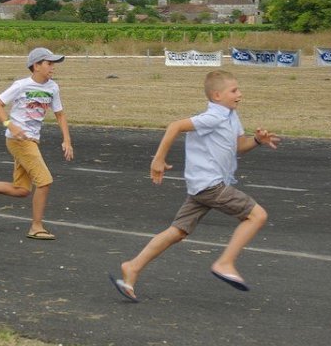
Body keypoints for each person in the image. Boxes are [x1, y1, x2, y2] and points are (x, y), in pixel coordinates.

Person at [109, 70, 281, 302]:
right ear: (217, 95)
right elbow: (175, 126)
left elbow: (239, 146)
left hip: (203, 187)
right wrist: (158, 159)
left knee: (177, 231)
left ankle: (132, 267)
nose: (240, 94)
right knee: (257, 216)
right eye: (234, 90)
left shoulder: (231, 116)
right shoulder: (213, 117)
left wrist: (258, 140)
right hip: (210, 186)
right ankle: (225, 262)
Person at [0, 47, 74, 240]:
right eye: (49, 63)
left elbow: (60, 114)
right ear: (36, 66)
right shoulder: (21, 85)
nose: (53, 67)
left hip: (32, 140)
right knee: (44, 181)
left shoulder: (53, 88)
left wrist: (67, 140)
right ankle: (36, 226)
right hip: (18, 141)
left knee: (22, 189)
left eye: (54, 63)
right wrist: (10, 125)